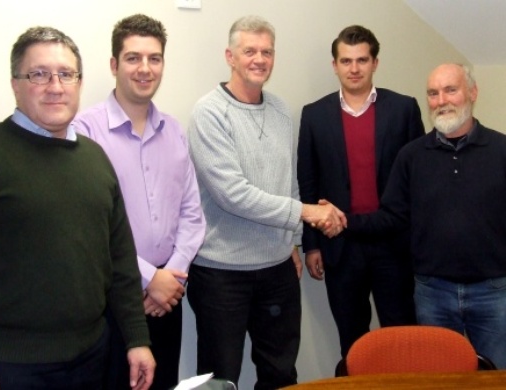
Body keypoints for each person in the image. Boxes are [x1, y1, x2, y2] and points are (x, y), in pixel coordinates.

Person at [0, 26, 155, 390]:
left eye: (66, 74)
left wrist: (137, 338)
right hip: (8, 368)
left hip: (93, 358)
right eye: (39, 74)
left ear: (79, 83)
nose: (55, 86)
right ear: (15, 84)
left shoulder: (94, 158)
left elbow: (121, 259)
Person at [186, 15, 343, 390]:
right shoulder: (208, 113)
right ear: (230, 56)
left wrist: (292, 240)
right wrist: (307, 213)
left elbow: (286, 181)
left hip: (277, 270)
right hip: (222, 274)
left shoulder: (278, 109)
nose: (260, 59)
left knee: (280, 374)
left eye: (267, 52)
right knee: (219, 379)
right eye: (250, 51)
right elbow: (233, 194)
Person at [73, 14, 206, 390]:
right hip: (113, 295)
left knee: (163, 384)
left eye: (154, 58)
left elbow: (193, 216)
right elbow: (89, 227)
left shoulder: (174, 130)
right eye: (133, 58)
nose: (145, 68)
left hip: (169, 295)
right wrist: (150, 278)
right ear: (114, 65)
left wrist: (171, 278)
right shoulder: (85, 133)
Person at [346, 63, 506, 369]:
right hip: (433, 294)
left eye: (451, 90)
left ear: (472, 92)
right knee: (436, 378)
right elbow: (391, 217)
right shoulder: (411, 156)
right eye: (433, 93)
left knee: (496, 378)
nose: (441, 100)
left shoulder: (501, 150)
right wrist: (342, 221)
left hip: (494, 294)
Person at [297, 25, 423, 368]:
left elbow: (419, 182)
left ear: (375, 63)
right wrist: (311, 245)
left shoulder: (404, 109)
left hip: (393, 246)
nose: (354, 68)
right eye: (346, 60)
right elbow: (307, 185)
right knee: (353, 345)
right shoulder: (314, 115)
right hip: (340, 247)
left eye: (362, 60)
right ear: (335, 65)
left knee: (403, 341)